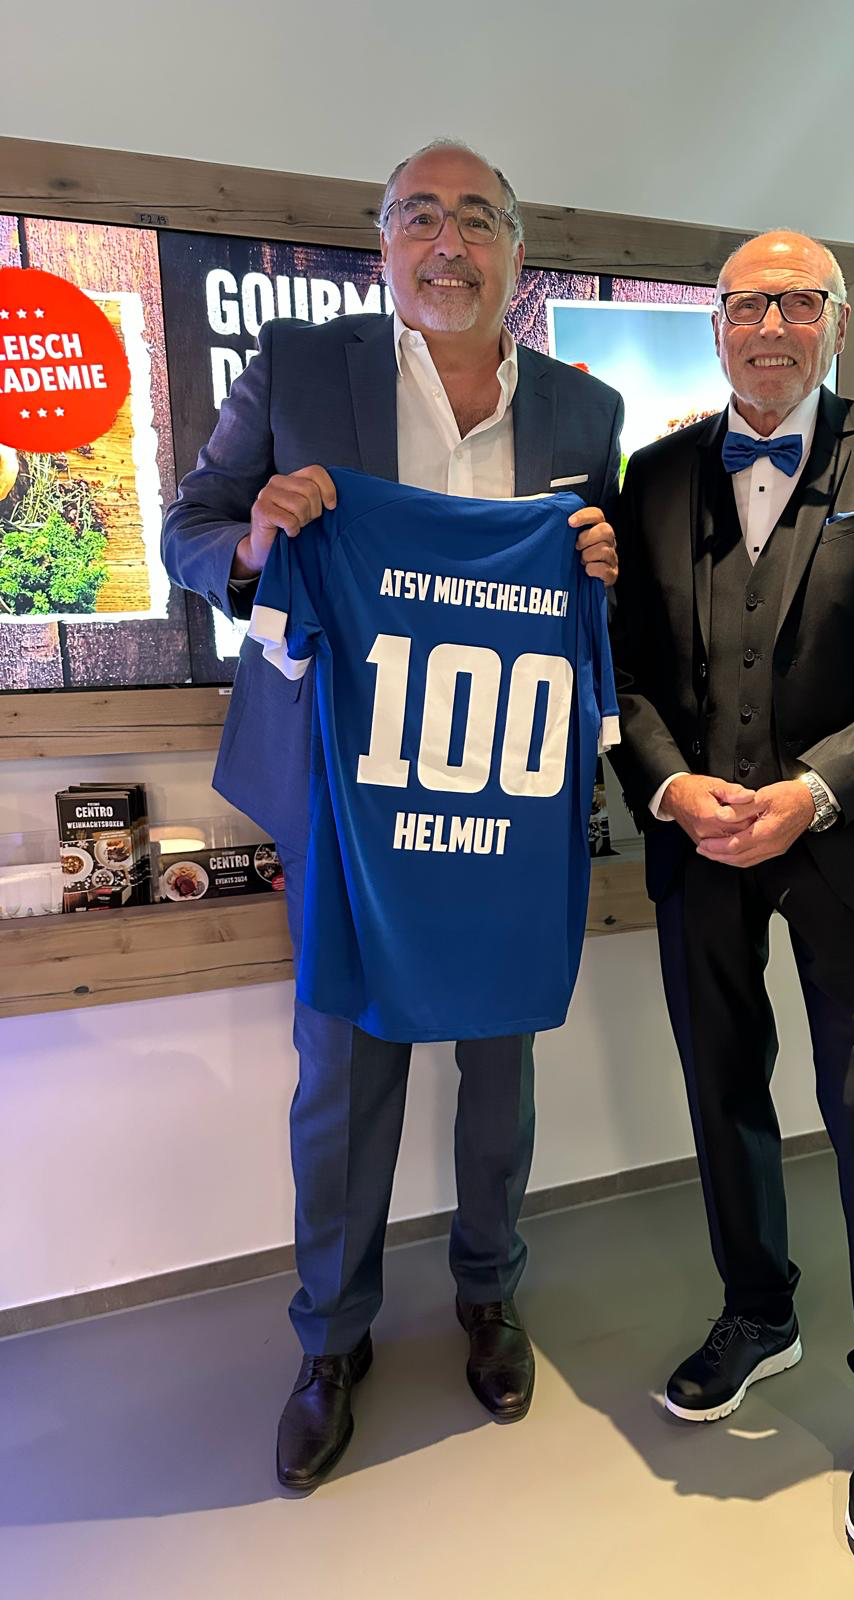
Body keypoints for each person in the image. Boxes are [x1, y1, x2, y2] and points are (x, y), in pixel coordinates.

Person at [161, 139, 622, 1491]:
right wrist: (256, 543)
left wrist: (605, 562)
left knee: (499, 1064)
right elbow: (191, 523)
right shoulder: (303, 371)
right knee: (344, 1076)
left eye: (477, 220)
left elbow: (611, 590)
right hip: (345, 793)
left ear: (517, 253)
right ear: (384, 246)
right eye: (421, 217)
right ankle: (330, 1338)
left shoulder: (584, 413)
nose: (448, 244)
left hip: (505, 788)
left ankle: (490, 1292)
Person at [608, 230, 854, 1553]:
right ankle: (759, 1309)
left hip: (842, 840)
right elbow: (624, 676)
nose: (771, 326)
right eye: (746, 305)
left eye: (797, 303)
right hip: (700, 844)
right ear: (715, 325)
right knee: (721, 1087)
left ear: (835, 321)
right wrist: (670, 788)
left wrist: (815, 790)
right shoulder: (656, 475)